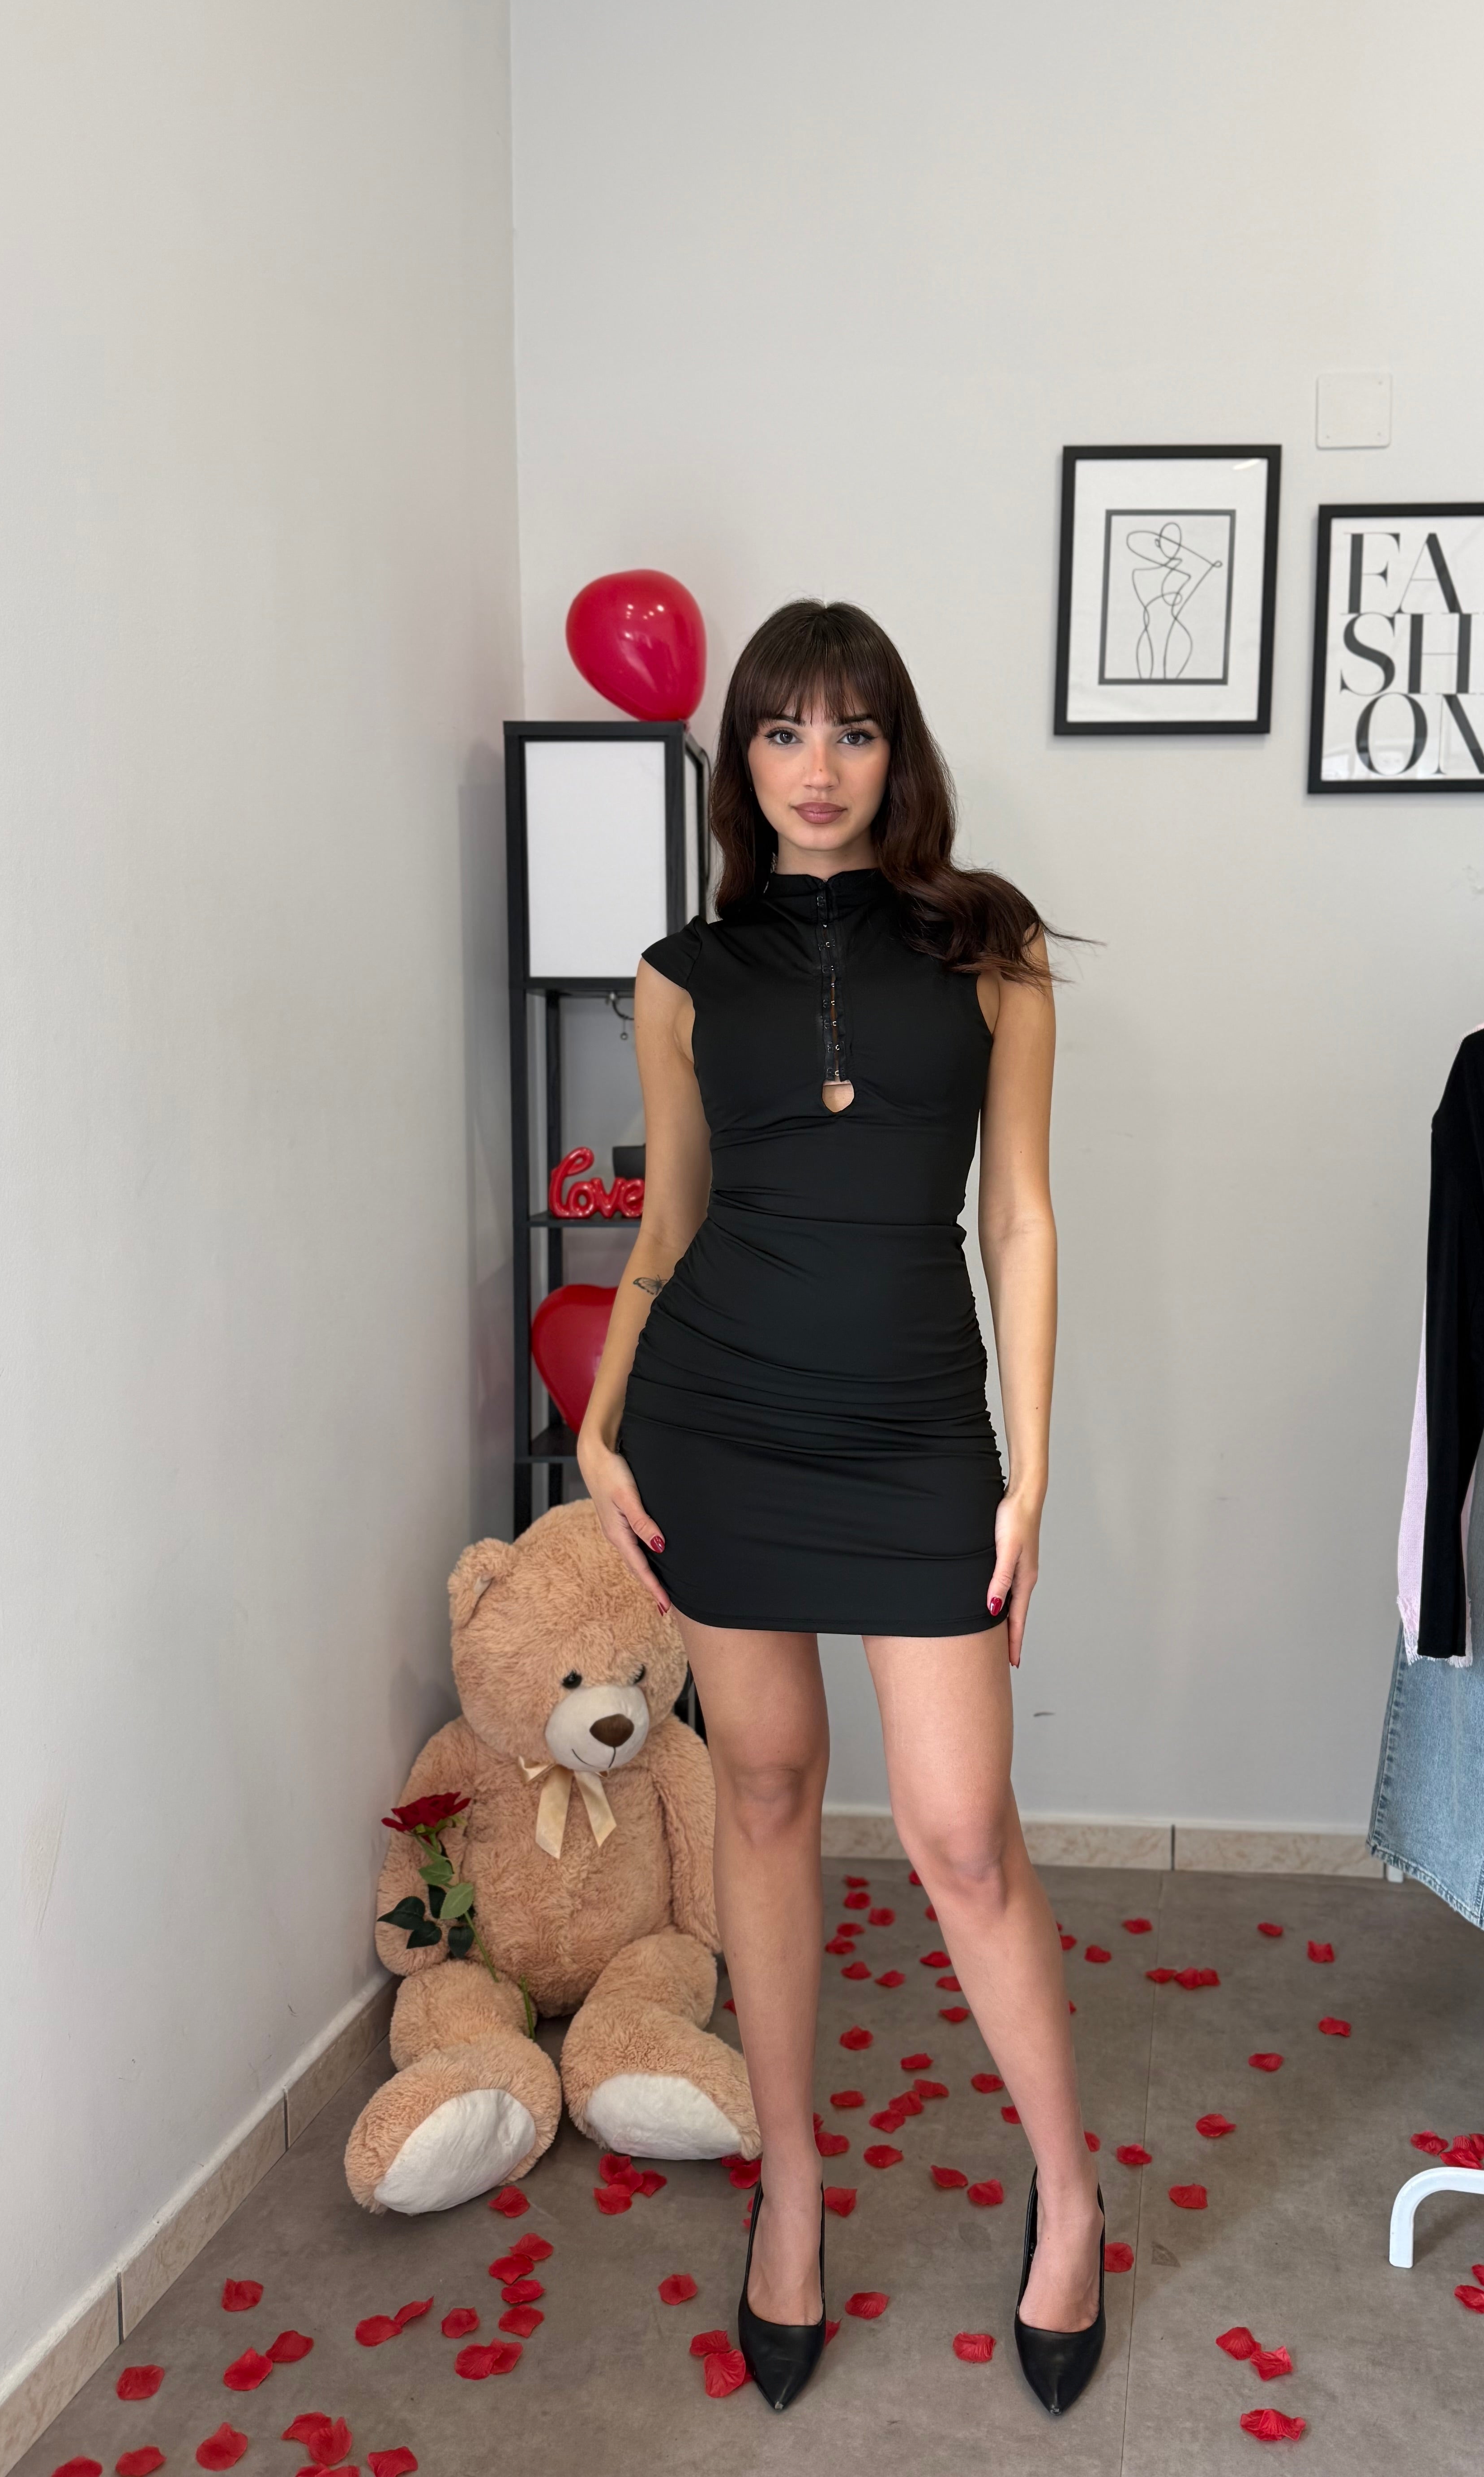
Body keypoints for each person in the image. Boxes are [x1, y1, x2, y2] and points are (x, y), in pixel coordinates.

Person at [577, 599, 1101, 2417]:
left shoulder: (991, 944)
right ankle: (791, 2185)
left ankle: (1070, 2195)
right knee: (768, 1789)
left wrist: (1030, 1467)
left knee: (962, 1835)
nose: (819, 768)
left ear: (899, 752)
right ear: (742, 759)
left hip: (914, 1434)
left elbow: (1018, 1216)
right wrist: (599, 1422)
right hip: (718, 1422)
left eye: (854, 731)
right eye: (784, 731)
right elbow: (670, 1225)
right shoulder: (678, 977)